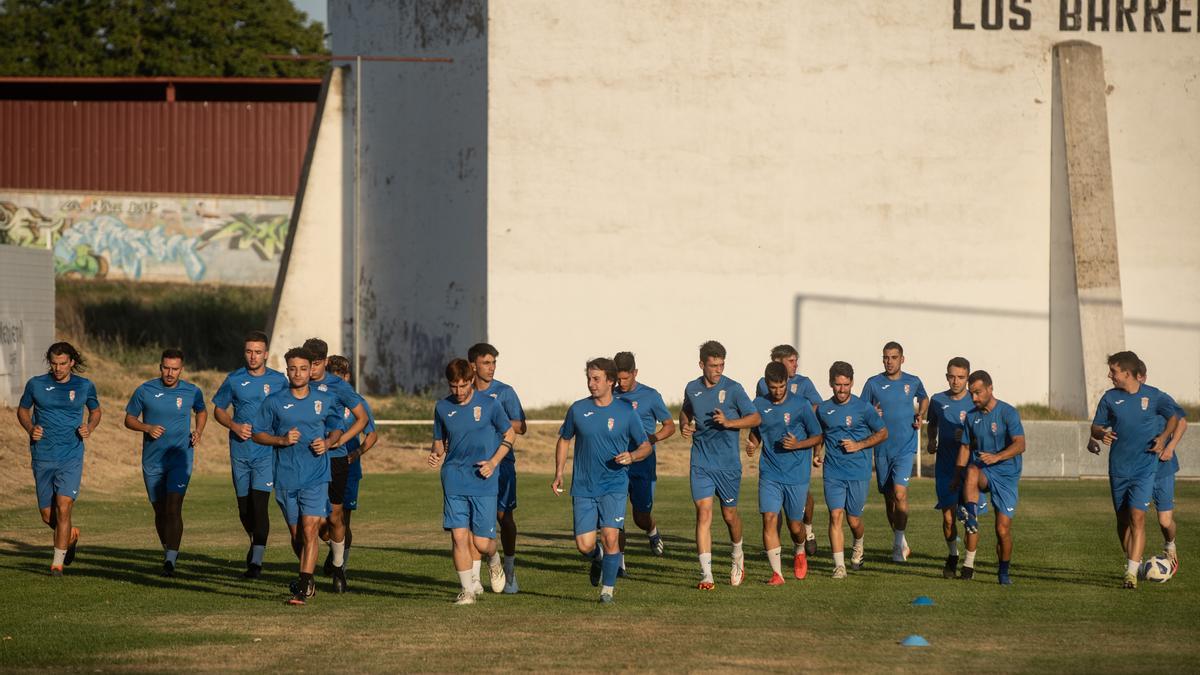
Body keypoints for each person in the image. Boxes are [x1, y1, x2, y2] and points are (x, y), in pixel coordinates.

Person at [552, 357, 651, 603]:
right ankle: (596, 557)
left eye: (596, 379)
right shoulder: (577, 409)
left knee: (610, 537)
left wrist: (632, 456)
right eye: (588, 378)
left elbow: (645, 446)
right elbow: (564, 439)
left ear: (610, 381)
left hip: (614, 485)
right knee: (584, 546)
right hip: (584, 486)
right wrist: (559, 472)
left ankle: (607, 591)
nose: (591, 383)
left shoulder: (626, 412)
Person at [252, 346, 343, 605]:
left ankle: (303, 586)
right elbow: (258, 433)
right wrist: (280, 439)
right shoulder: (274, 402)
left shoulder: (324, 399)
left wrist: (327, 443)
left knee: (310, 528)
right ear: (287, 369)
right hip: (285, 476)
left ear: (311, 369)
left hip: (316, 474)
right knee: (297, 536)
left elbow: (337, 428)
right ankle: (309, 576)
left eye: (304, 368)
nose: (299, 373)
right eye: (293, 368)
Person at [427, 358, 516, 605]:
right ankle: (467, 591)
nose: (459, 391)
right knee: (458, 537)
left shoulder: (490, 405)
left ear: (471, 381)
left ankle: (494, 558)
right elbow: (438, 441)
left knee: (481, 542)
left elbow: (509, 434)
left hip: (483, 478)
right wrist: (435, 455)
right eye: (453, 386)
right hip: (454, 477)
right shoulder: (442, 407)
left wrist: (494, 462)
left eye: (463, 385)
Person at [1089, 352, 1181, 588]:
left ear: (1127, 374)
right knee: (1122, 521)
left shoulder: (1154, 395)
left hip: (1145, 469)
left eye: (1113, 371)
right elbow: (1096, 426)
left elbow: (1175, 417)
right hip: (1119, 469)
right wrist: (1101, 434)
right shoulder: (1109, 398)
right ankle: (1135, 564)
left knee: (1137, 517)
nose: (1110, 375)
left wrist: (1164, 439)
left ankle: (1130, 574)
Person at [16, 342, 101, 576]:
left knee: (64, 507)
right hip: (42, 455)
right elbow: (22, 410)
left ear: (72, 362)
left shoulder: (84, 386)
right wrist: (30, 427)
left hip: (71, 455)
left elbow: (95, 411)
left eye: (63, 363)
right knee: (47, 516)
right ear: (49, 362)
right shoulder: (36, 384)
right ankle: (70, 536)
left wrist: (89, 427)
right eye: (54, 363)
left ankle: (57, 564)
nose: (58, 368)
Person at [680, 340, 761, 590]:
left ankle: (737, 554)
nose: (718, 370)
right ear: (702, 364)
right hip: (701, 462)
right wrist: (685, 423)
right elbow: (686, 411)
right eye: (713, 365)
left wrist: (729, 423)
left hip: (728, 465)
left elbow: (756, 417)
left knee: (729, 516)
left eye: (722, 365)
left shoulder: (734, 389)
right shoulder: (692, 388)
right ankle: (707, 575)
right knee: (703, 514)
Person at [211, 330, 289, 578]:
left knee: (260, 506)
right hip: (240, 451)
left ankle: (256, 562)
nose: (253, 356)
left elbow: (288, 408)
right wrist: (234, 425)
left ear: (266, 354)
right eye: (249, 351)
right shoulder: (234, 379)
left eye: (258, 352)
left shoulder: (279, 381)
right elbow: (219, 411)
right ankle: (256, 541)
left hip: (266, 452)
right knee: (245, 510)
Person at [124, 348, 207, 577]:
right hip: (152, 461)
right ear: (160, 367)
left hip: (180, 458)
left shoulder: (191, 391)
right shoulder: (145, 390)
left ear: (182, 369)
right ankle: (168, 549)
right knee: (160, 511)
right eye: (166, 368)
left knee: (173, 507)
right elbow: (129, 419)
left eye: (175, 369)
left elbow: (201, 410)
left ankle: (171, 560)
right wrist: (146, 427)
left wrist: (198, 431)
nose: (170, 373)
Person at [746, 361, 823, 585]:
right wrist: (752, 444)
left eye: (781, 386)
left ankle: (799, 548)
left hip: (797, 474)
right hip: (770, 472)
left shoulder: (801, 405)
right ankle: (777, 574)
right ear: (766, 384)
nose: (777, 391)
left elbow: (817, 436)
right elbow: (756, 434)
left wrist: (798, 445)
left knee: (795, 526)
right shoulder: (758, 404)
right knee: (769, 518)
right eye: (773, 387)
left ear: (787, 382)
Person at [301, 338, 368, 592]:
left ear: (325, 362)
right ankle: (307, 575)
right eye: (309, 363)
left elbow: (361, 419)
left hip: (336, 459)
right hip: (307, 460)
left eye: (316, 363)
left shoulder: (338, 386)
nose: (312, 369)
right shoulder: (298, 384)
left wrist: (339, 442)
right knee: (310, 522)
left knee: (335, 516)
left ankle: (338, 567)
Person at [814, 361, 887, 579]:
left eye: (846, 385)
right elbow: (820, 435)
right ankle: (839, 566)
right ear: (830, 383)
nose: (842, 389)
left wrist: (859, 445)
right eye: (838, 385)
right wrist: (817, 453)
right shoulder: (823, 409)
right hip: (833, 472)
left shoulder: (864, 408)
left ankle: (858, 543)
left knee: (853, 520)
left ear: (852, 383)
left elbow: (883, 432)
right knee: (835, 515)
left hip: (858, 472)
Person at [953, 370, 1025, 585]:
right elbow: (965, 447)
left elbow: (1020, 444)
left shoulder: (1008, 413)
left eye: (978, 393)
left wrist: (998, 457)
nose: (974, 398)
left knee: (1002, 530)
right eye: (971, 394)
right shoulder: (972, 416)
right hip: (984, 470)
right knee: (972, 470)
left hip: (1007, 476)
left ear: (990, 388)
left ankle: (1003, 572)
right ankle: (972, 516)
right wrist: (957, 476)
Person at [860, 341, 928, 563]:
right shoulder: (873, 384)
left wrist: (921, 414)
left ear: (902, 359)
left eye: (894, 357)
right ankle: (901, 541)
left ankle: (897, 547)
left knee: (900, 493)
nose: (889, 361)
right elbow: (861, 410)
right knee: (889, 500)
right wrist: (872, 413)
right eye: (886, 357)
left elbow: (924, 398)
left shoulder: (913, 381)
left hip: (905, 448)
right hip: (882, 450)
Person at [468, 343, 527, 593]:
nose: (491, 368)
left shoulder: (504, 392)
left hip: (502, 464)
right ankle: (473, 578)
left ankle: (510, 570)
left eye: (493, 363)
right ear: (473, 365)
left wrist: (494, 419)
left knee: (504, 517)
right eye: (486, 363)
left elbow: (521, 426)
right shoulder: (465, 391)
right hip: (472, 464)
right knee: (473, 522)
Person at [925, 356, 986, 579]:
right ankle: (953, 554)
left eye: (961, 377)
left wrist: (970, 438)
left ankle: (969, 564)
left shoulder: (976, 401)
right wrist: (931, 441)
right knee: (948, 519)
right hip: (945, 467)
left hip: (971, 468)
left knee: (972, 517)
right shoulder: (938, 400)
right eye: (952, 376)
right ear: (946, 376)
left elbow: (987, 434)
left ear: (967, 378)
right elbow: (932, 424)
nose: (956, 381)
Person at [612, 351, 675, 565]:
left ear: (635, 373)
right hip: (617, 464)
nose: (621, 383)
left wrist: (653, 437)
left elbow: (669, 426)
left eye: (625, 378)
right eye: (618, 378)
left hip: (643, 464)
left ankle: (652, 530)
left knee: (641, 516)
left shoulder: (650, 396)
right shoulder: (609, 395)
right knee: (615, 516)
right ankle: (618, 564)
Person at [322, 355, 378, 575]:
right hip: (322, 465)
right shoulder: (322, 398)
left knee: (343, 518)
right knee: (321, 522)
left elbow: (372, 435)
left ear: (347, 377)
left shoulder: (357, 402)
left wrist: (356, 453)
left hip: (349, 469)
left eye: (340, 378)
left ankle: (340, 566)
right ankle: (334, 547)